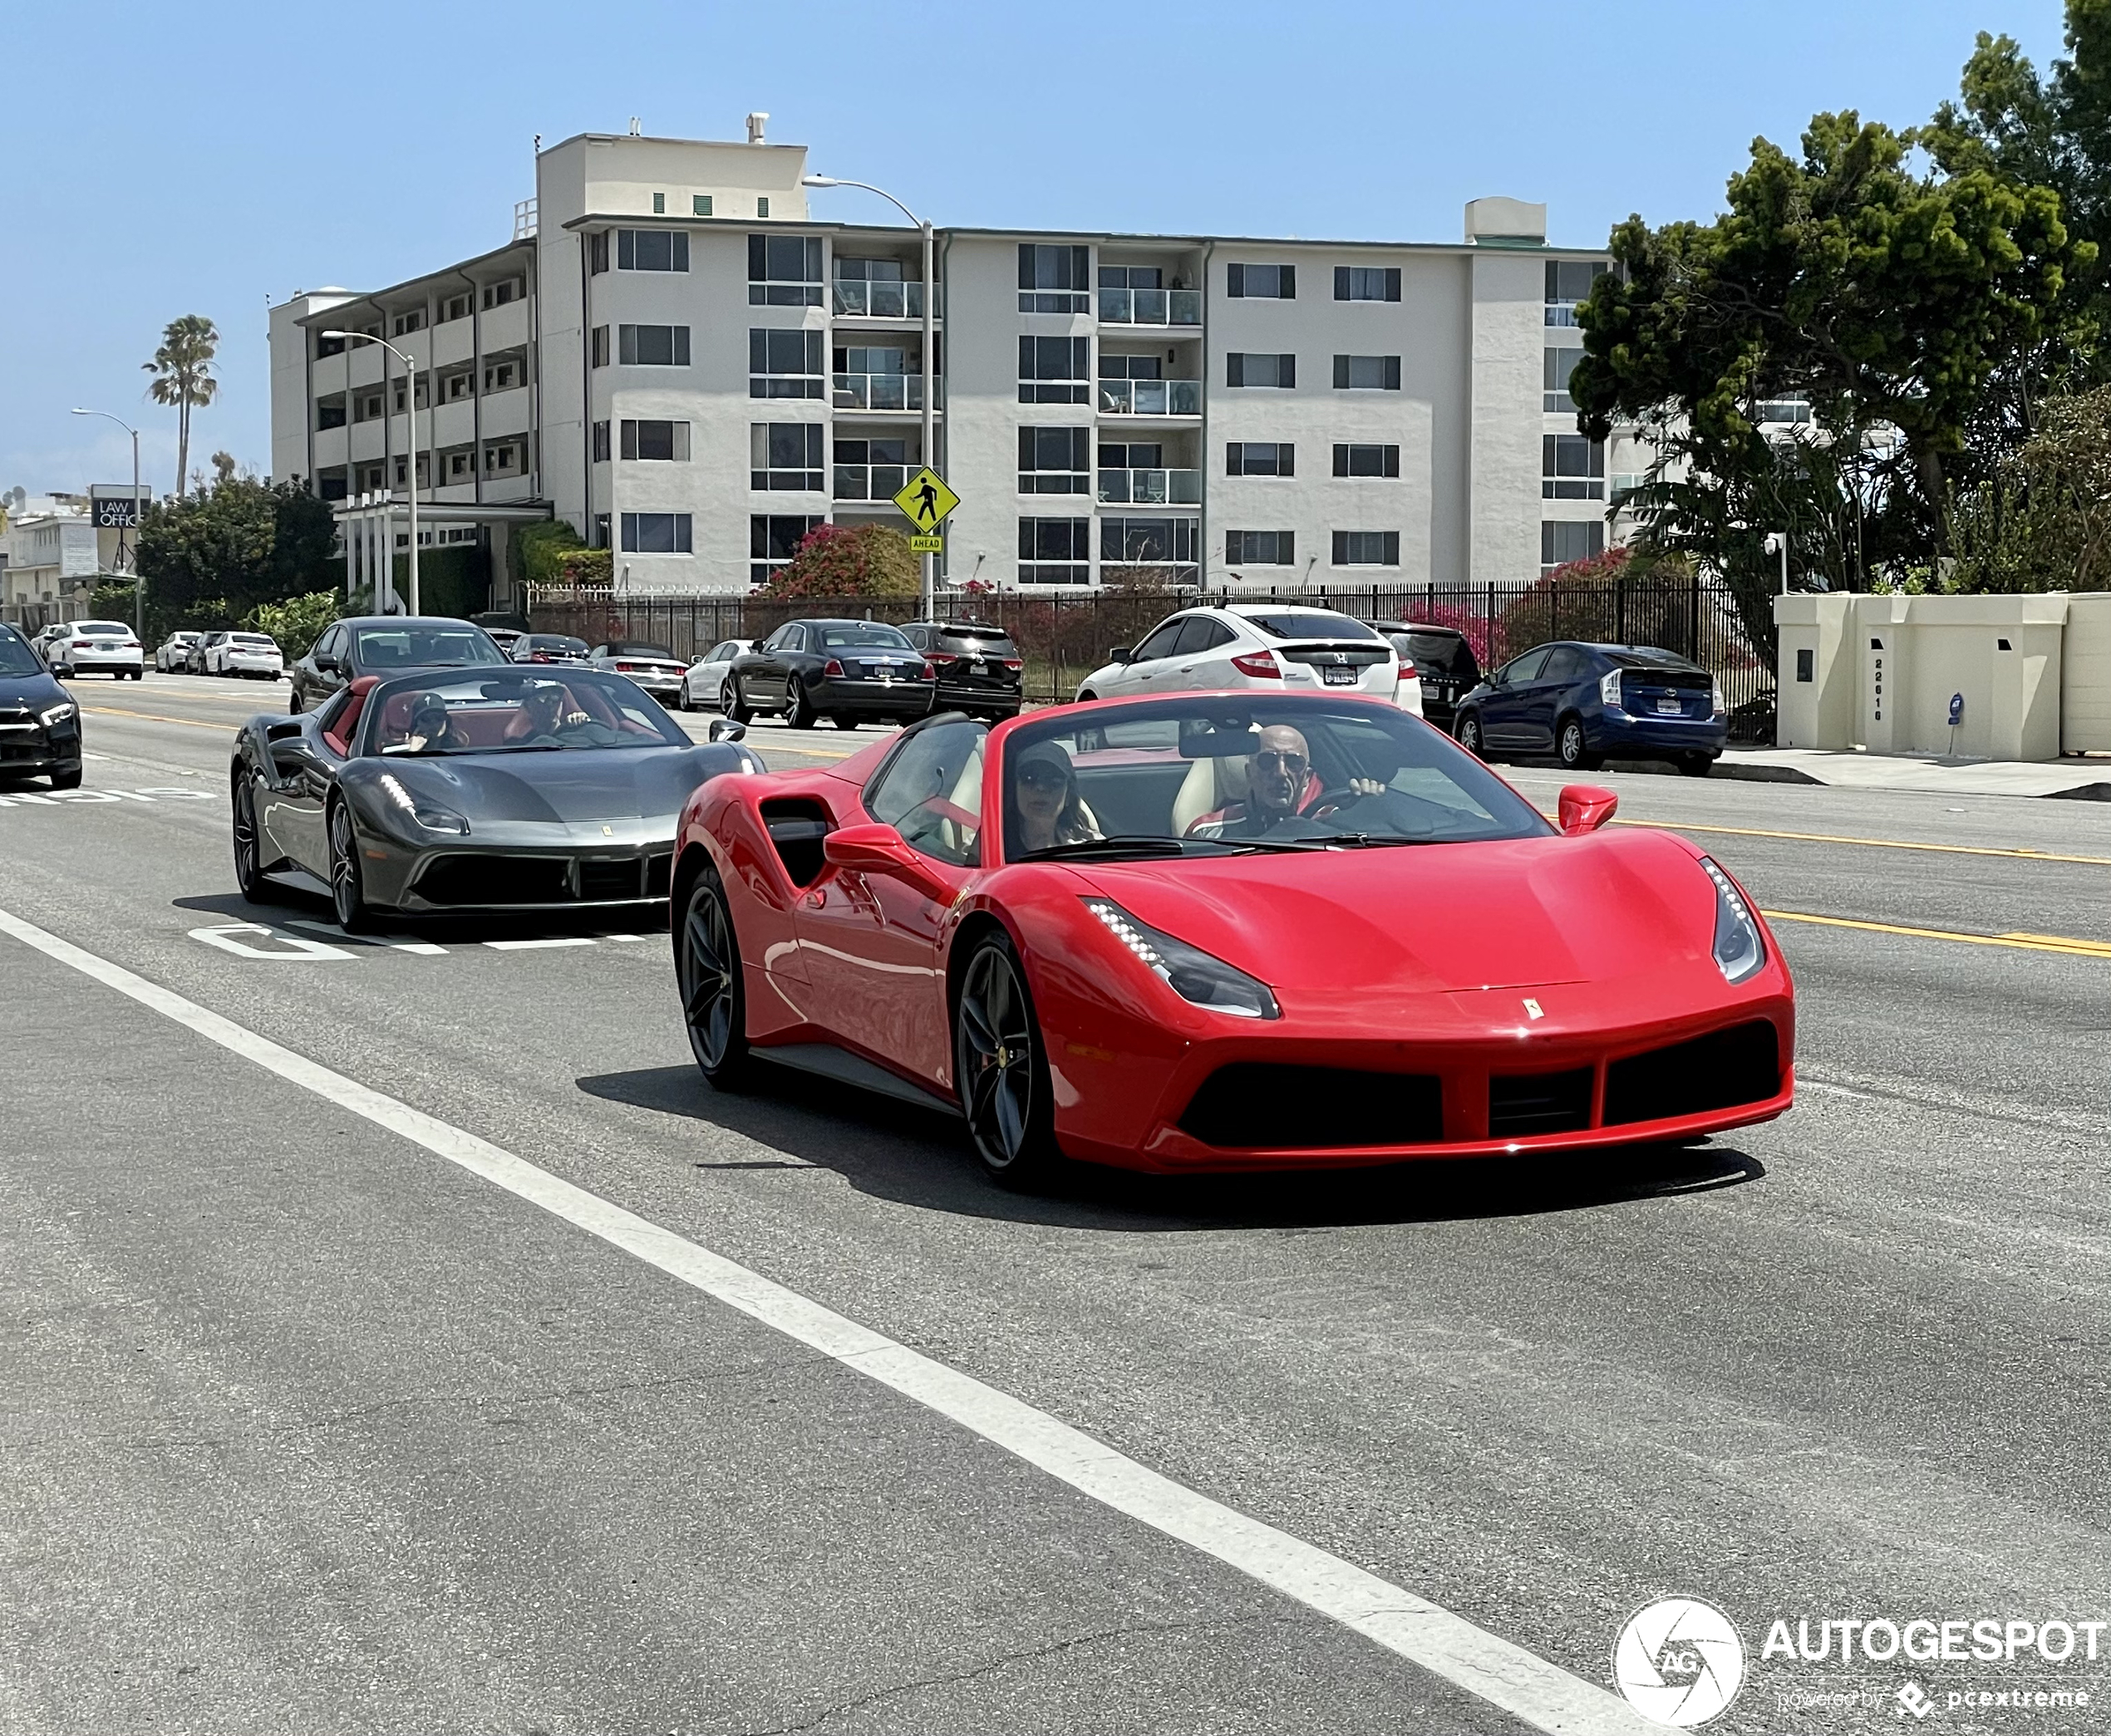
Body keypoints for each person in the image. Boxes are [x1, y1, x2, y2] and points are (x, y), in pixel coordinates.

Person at [1185, 724, 1384, 839]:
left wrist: (1372, 811)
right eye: (1267, 761)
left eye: (1294, 763)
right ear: (1249, 773)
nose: (1280, 773)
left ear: (1307, 778)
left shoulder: (1335, 823)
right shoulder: (1208, 832)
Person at [1009, 740, 1100, 853]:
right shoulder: (991, 847)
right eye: (1029, 778)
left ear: (1068, 796)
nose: (1040, 788)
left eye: (1053, 781)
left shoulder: (1091, 848)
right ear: (1014, 790)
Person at [398, 692, 470, 753]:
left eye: (439, 718)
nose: (434, 724)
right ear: (416, 724)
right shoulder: (405, 749)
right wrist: (411, 751)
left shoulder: (458, 750)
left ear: (447, 721)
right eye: (426, 719)